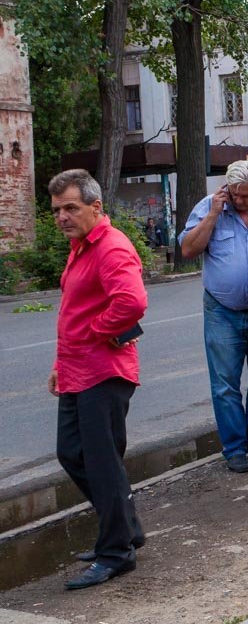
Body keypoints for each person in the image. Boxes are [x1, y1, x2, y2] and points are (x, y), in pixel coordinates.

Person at [48, 170, 148, 590]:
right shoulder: (80, 247)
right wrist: (61, 362)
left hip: (104, 372)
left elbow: (132, 302)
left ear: (95, 207)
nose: (62, 217)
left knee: (101, 462)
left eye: (70, 208)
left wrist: (96, 333)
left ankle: (116, 553)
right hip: (77, 371)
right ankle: (126, 528)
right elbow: (73, 311)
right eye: (56, 210)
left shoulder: (110, 247)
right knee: (72, 454)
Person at [180, 160, 248, 473]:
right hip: (222, 311)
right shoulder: (208, 208)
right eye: (236, 195)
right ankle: (235, 448)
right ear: (227, 188)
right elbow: (188, 250)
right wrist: (213, 215)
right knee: (225, 383)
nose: (241, 201)